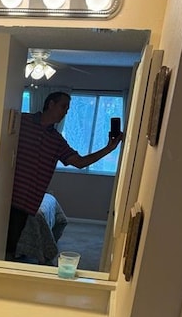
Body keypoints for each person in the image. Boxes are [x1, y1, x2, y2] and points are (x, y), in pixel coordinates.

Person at [6, 91, 123, 258]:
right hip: (6, 195)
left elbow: (80, 162)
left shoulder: (57, 141)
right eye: (63, 106)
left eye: (67, 109)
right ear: (51, 104)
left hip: (27, 202)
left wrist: (109, 148)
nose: (65, 112)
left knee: (10, 247)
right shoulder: (22, 122)